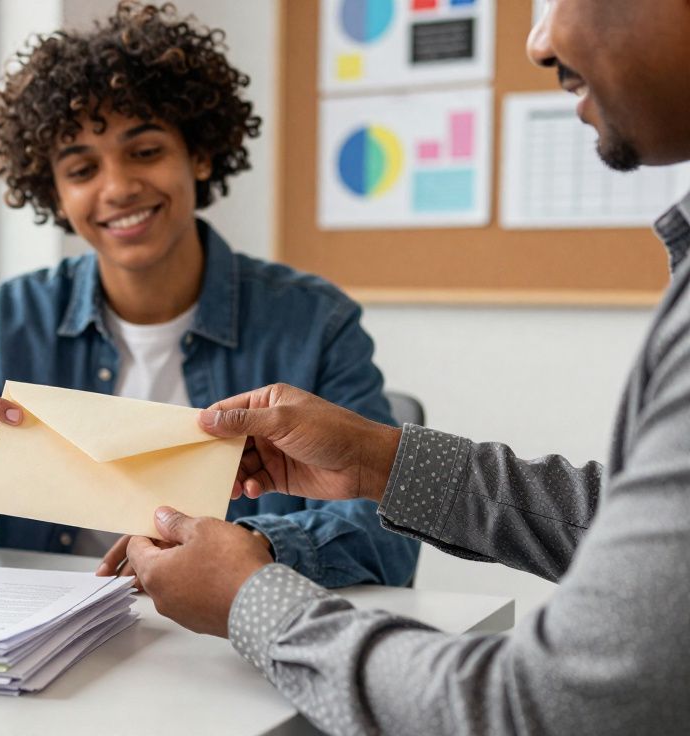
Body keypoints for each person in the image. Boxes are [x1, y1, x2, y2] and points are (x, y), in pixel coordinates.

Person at [124, 0, 690, 732]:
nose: (538, 41)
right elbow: (633, 531)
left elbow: (543, 710)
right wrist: (378, 460)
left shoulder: (313, 314)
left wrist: (248, 600)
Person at [0, 1, 419, 589]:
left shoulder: (314, 322)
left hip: (237, 632)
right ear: (54, 194)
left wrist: (255, 550)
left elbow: (388, 537)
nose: (119, 187)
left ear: (199, 154)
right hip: (59, 635)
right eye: (81, 170)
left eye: (146, 151)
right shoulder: (9, 319)